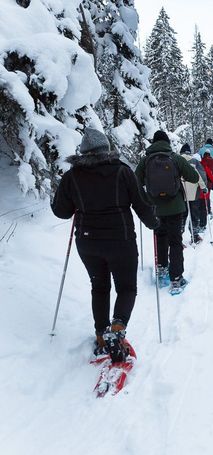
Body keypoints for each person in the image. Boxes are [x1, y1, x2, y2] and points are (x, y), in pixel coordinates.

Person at [51, 128, 159, 362]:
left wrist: (58, 198)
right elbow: (141, 204)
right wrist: (154, 223)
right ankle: (117, 329)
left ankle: (101, 335)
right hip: (121, 241)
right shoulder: (122, 171)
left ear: (83, 152)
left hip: (88, 243)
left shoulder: (72, 176)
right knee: (126, 287)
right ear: (106, 149)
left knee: (99, 287)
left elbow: (61, 211)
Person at [135, 131, 199, 294]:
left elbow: (135, 183)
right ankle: (176, 279)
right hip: (175, 208)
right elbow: (193, 177)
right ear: (166, 142)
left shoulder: (145, 161)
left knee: (160, 238)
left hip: (155, 208)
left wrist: (146, 199)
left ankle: (162, 270)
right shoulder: (175, 158)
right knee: (175, 242)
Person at [179, 144, 208, 244]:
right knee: (194, 215)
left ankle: (179, 237)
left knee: (182, 216)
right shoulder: (195, 161)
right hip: (194, 193)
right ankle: (194, 236)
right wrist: (204, 187)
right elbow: (201, 175)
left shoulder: (176, 160)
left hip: (181, 194)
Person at [201, 151, 213, 216]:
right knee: (207, 197)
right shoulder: (211, 161)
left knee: (200, 198)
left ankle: (201, 212)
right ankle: (208, 211)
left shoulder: (200, 162)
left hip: (199, 183)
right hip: (208, 183)